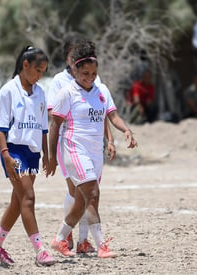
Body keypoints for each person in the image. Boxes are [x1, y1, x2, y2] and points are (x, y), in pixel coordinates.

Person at [49, 40, 137, 259]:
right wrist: (50, 155)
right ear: (75, 70)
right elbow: (54, 125)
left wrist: (126, 130)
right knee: (93, 193)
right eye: (85, 73)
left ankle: (60, 239)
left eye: (93, 73)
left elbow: (112, 115)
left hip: (95, 152)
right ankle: (101, 246)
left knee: (84, 200)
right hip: (74, 149)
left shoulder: (101, 90)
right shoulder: (66, 93)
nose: (89, 77)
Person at [0, 46, 55, 267]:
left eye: (43, 71)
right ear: (25, 65)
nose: (39, 75)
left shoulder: (40, 93)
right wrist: (5, 154)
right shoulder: (8, 90)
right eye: (37, 70)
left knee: (18, 201)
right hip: (14, 150)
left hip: (33, 153)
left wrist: (47, 154)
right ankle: (40, 251)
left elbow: (43, 127)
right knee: (29, 198)